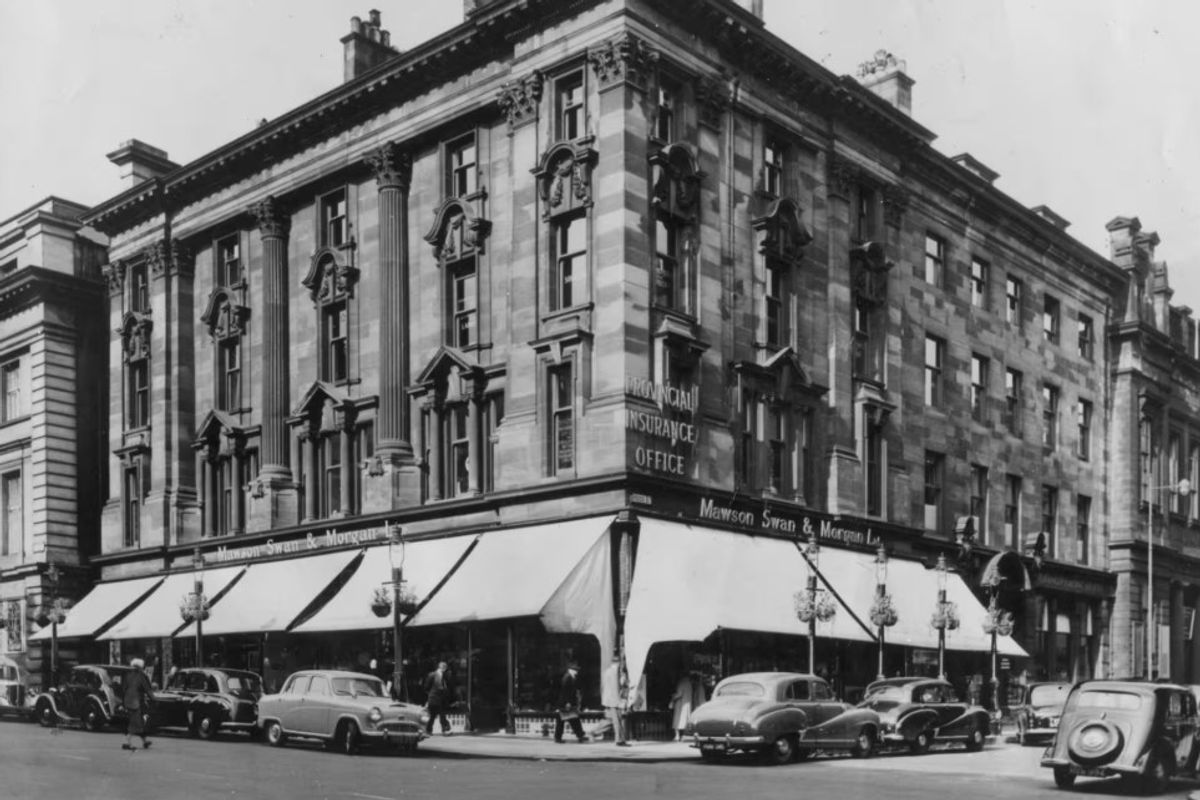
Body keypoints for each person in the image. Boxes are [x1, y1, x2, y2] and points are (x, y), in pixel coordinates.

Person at [122, 657, 155, 751]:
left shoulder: (127, 675)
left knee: (139, 721)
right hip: (136, 701)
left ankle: (145, 741)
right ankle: (126, 742)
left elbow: (124, 688)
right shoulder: (141, 675)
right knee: (135, 722)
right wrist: (154, 698)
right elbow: (147, 688)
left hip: (127, 700)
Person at [554, 661, 587, 743]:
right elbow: (565, 691)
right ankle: (579, 735)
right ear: (570, 670)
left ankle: (579, 735)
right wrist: (567, 702)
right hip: (566, 703)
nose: (576, 671)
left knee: (571, 719)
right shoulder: (567, 677)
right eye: (575, 670)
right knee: (569, 720)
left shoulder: (570, 677)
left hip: (566, 703)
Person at [601, 654, 630, 747]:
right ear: (618, 663)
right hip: (615, 699)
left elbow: (605, 686)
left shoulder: (607, 671)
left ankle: (620, 739)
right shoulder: (615, 672)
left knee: (616, 720)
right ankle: (619, 740)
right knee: (618, 720)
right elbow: (616, 687)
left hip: (610, 699)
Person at [670, 670, 703, 741]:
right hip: (688, 703)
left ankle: (677, 735)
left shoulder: (681, 683)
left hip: (681, 704)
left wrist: (672, 697)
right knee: (686, 720)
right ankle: (684, 734)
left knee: (677, 720)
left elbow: (679, 694)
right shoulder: (690, 683)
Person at [423, 661, 452, 735]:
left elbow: (446, 686)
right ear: (440, 667)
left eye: (445, 668)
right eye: (443, 667)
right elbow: (426, 687)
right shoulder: (432, 675)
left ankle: (444, 729)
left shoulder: (445, 676)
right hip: (434, 698)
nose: (444, 669)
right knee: (433, 715)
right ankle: (429, 730)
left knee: (442, 715)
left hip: (441, 699)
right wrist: (430, 694)